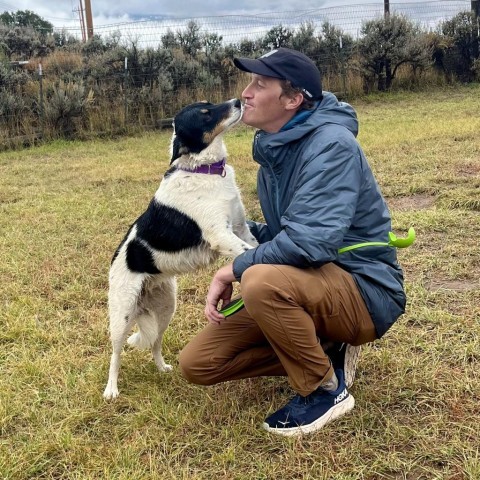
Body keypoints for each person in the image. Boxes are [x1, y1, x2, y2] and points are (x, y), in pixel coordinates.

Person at [179, 47, 406, 436]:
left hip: (364, 288)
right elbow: (285, 230)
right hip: (308, 281)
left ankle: (324, 389)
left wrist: (232, 268)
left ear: (293, 99)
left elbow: (309, 242)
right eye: (249, 82)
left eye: (259, 84)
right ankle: (325, 351)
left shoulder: (331, 145)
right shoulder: (274, 149)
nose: (245, 93)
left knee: (258, 280)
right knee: (198, 363)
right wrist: (223, 228)